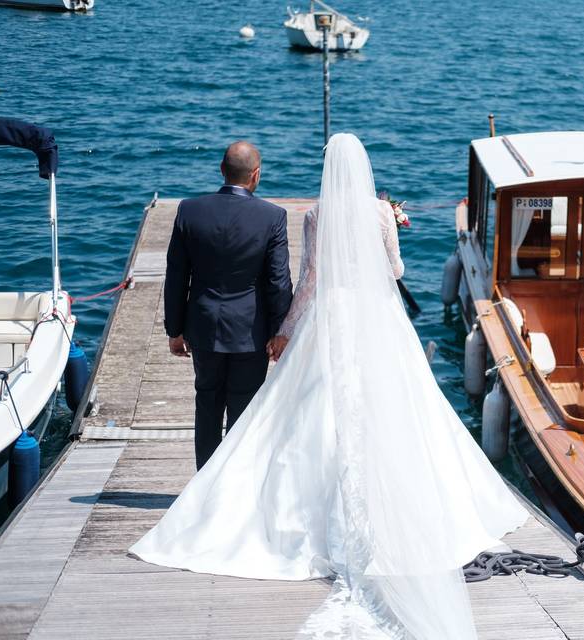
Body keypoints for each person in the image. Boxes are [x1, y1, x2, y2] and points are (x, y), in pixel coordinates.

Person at [131, 133, 528, 639]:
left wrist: (286, 331)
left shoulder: (314, 216)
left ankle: (222, 492)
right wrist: (391, 231)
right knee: (395, 409)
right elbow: (396, 270)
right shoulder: (383, 214)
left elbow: (309, 280)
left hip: (329, 319)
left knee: (301, 412)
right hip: (377, 321)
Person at [163, 141, 293, 469]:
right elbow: (279, 282)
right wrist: (281, 330)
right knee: (244, 409)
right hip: (250, 331)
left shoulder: (189, 210)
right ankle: (234, 487)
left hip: (204, 327)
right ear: (256, 176)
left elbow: (177, 275)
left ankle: (204, 484)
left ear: (222, 170)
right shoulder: (272, 217)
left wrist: (174, 330)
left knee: (207, 402)